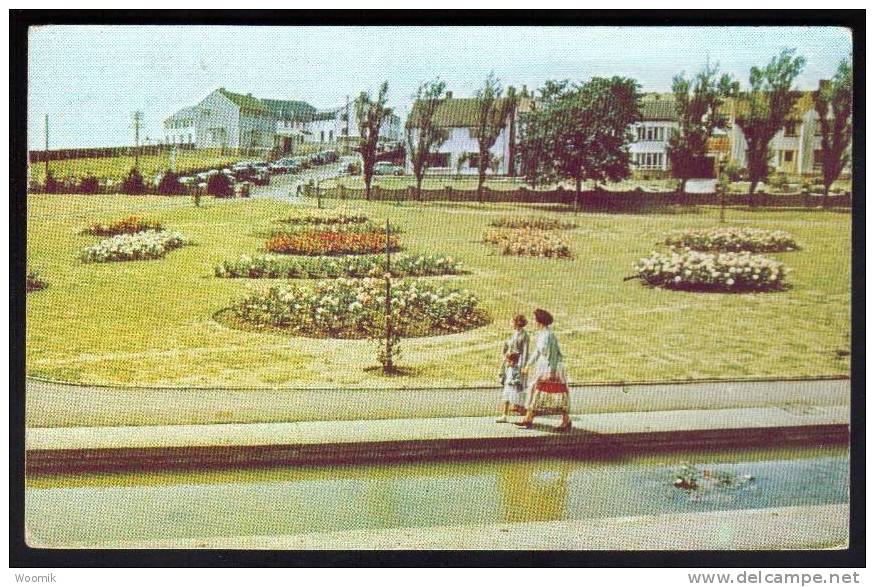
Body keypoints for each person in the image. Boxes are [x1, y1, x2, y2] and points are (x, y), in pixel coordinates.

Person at [516, 308, 572, 432]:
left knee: (556, 394)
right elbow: (537, 351)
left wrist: (551, 372)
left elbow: (553, 354)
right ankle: (528, 419)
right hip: (543, 366)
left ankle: (566, 420)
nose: (534, 322)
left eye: (535, 320)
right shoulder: (541, 334)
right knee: (536, 391)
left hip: (553, 367)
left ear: (540, 321)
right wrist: (528, 365)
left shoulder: (549, 335)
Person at [496, 314, 529, 422]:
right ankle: (504, 415)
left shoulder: (525, 336)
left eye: (512, 321)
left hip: (517, 367)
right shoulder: (514, 333)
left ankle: (525, 414)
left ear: (517, 323)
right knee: (507, 388)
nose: (510, 323)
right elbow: (509, 347)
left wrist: (522, 367)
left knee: (516, 390)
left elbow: (525, 353)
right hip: (510, 365)